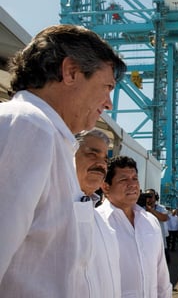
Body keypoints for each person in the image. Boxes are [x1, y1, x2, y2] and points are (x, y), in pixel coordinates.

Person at [0, 24, 126, 297]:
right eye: (106, 87)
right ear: (71, 72)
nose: (109, 103)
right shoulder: (27, 125)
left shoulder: (49, 137)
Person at [97, 155, 172, 297]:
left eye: (135, 178)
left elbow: (161, 276)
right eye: (124, 179)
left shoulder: (150, 222)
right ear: (106, 187)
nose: (132, 184)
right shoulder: (96, 223)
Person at [74, 129, 121, 297]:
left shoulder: (103, 223)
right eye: (92, 154)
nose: (101, 164)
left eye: (105, 159)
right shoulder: (43, 210)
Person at [145, 188, 171, 264]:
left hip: (160, 244)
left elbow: (164, 218)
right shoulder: (140, 208)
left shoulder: (161, 208)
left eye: (150, 196)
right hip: (146, 244)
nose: (148, 198)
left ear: (155, 197)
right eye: (147, 196)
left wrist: (150, 210)